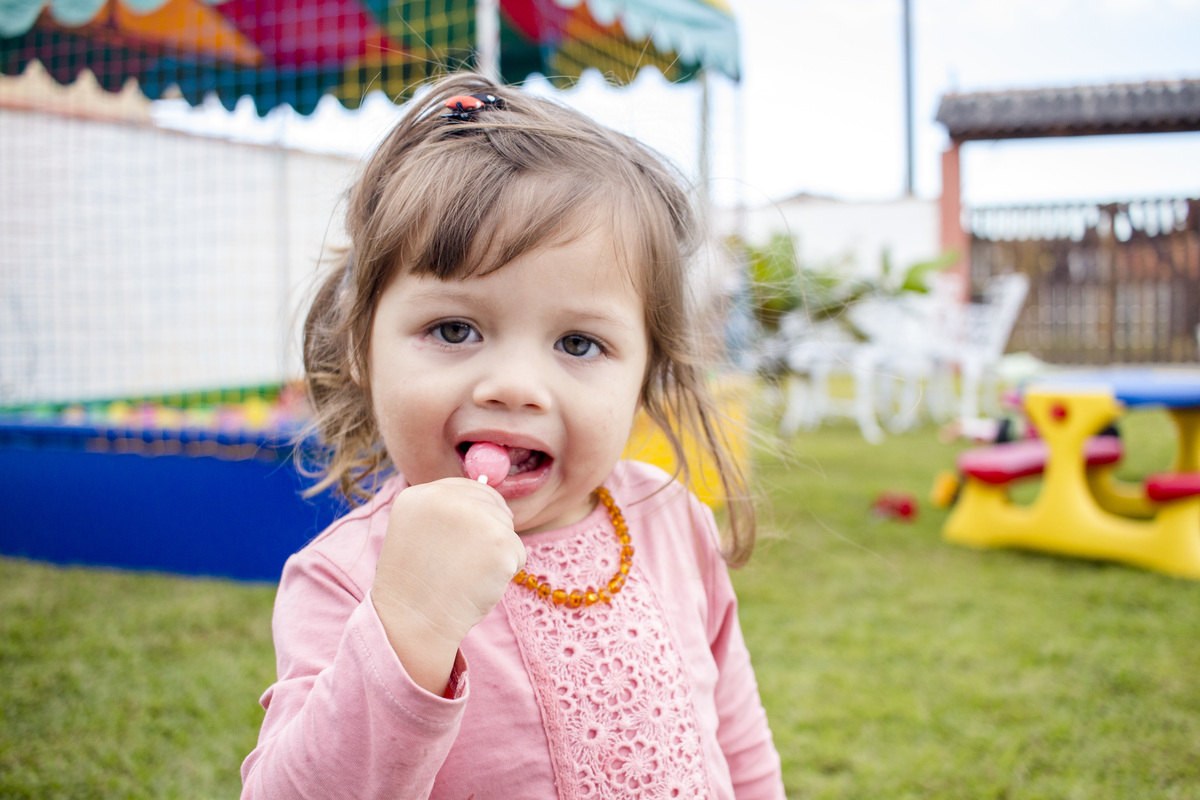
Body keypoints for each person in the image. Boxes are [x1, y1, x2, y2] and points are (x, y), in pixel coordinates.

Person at [240, 72, 785, 800]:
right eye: (454, 329)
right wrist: (409, 622)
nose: (515, 386)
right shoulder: (347, 576)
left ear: (647, 372)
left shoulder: (670, 519)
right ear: (362, 349)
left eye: (579, 344)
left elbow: (737, 742)